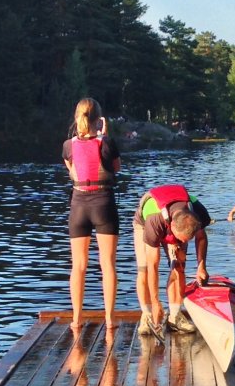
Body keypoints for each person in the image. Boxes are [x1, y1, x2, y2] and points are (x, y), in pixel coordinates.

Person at [62, 98, 120, 331]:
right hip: (103, 203)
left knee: (79, 266)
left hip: (78, 205)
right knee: (107, 264)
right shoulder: (106, 143)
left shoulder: (68, 145)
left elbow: (71, 170)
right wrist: (104, 137)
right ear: (99, 120)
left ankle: (76, 320)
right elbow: (116, 168)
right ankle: (109, 319)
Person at [131, 184, 211, 336]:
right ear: (172, 227)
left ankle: (175, 315)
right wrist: (155, 302)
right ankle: (147, 315)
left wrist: (201, 266)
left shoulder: (197, 211)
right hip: (144, 224)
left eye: (185, 240)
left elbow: (201, 237)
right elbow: (153, 265)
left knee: (179, 266)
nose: (182, 243)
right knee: (144, 269)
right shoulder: (154, 220)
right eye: (181, 240)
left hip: (176, 221)